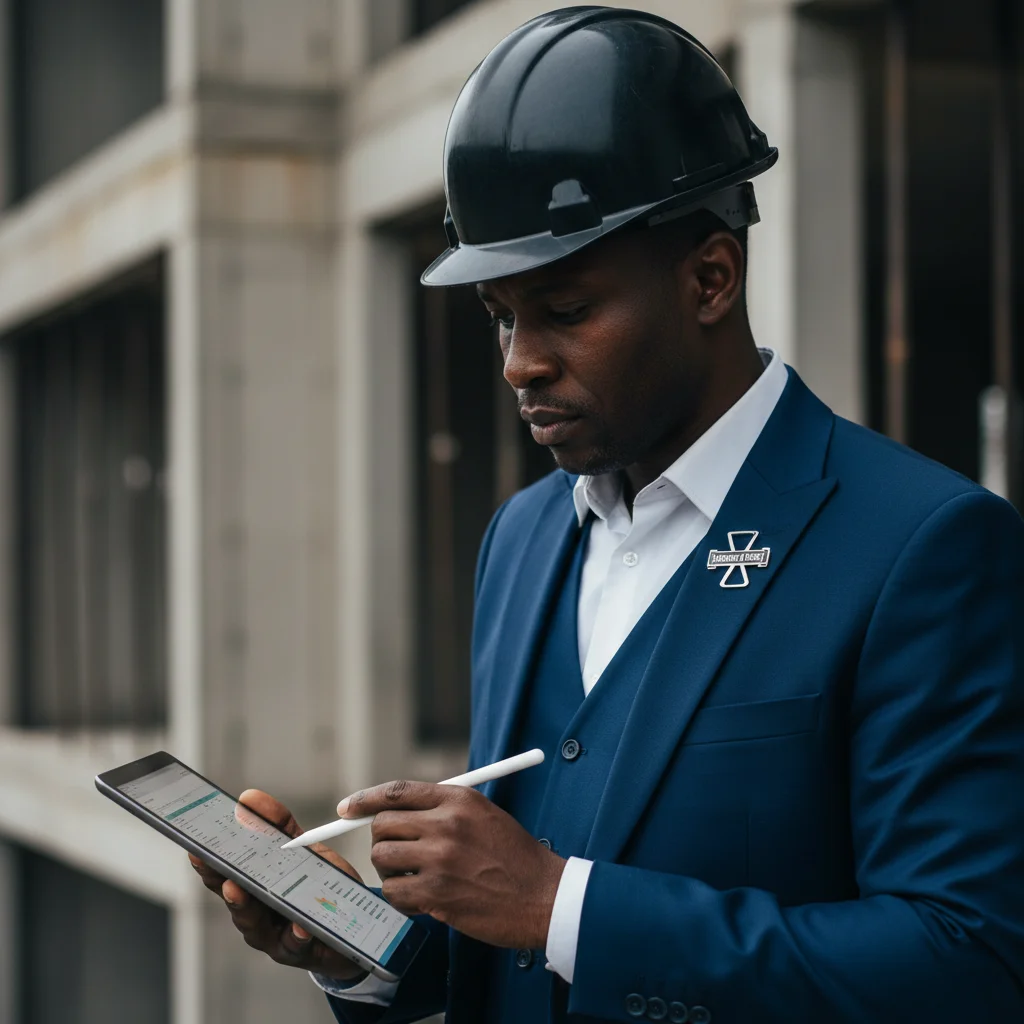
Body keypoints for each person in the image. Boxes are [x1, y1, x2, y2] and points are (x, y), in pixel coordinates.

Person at [189, 8, 1024, 1023]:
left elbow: (969, 964)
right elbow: (514, 947)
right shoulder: (521, 538)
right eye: (501, 318)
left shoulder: (924, 545)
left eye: (565, 311)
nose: (519, 364)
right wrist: (361, 949)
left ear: (709, 279)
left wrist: (558, 903)